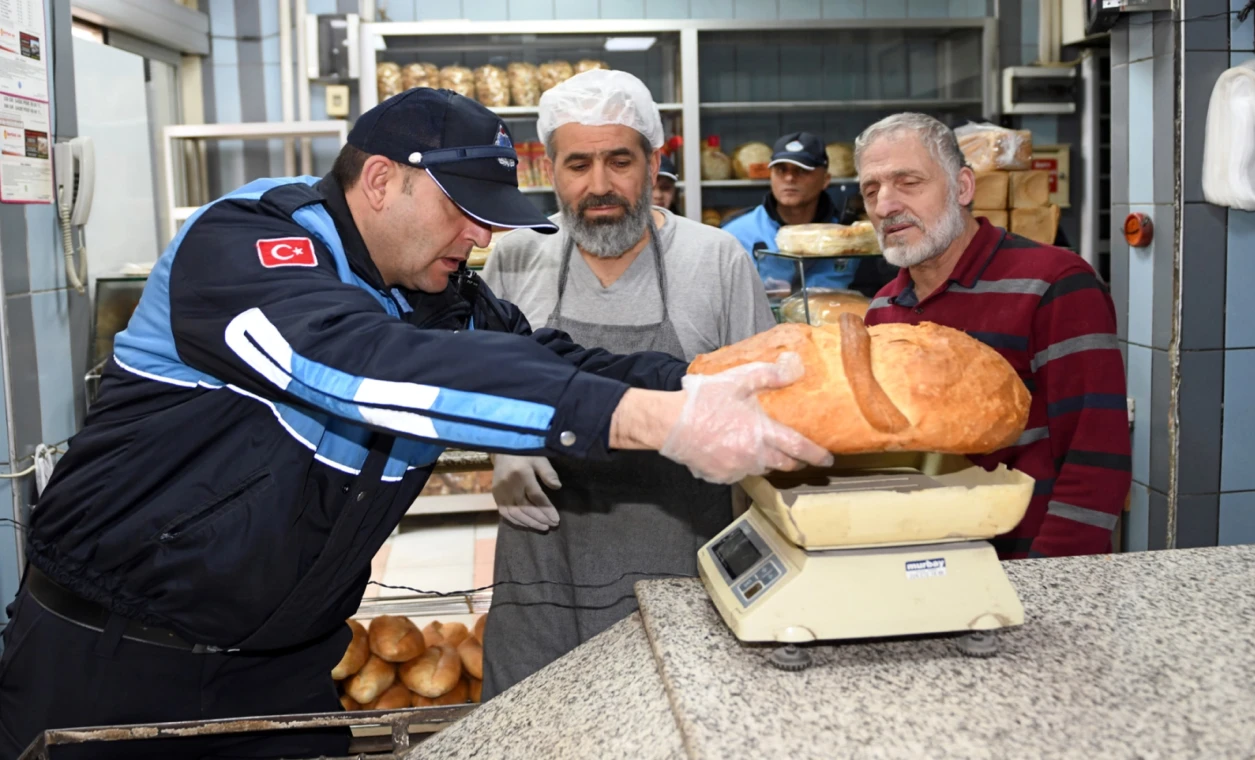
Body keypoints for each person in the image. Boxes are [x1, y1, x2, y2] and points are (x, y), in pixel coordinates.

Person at [0, 89, 831, 760]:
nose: (482, 237)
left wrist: (722, 385)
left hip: (282, 670)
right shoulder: (247, 246)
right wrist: (651, 421)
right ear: (379, 182)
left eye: (494, 215)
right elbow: (357, 363)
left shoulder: (440, 299)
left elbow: (558, 362)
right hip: (108, 663)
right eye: (463, 210)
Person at [478, 70, 777, 700]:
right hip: (543, 563)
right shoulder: (514, 257)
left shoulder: (716, 259)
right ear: (549, 170)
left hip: (684, 558)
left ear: (653, 161)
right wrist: (502, 444)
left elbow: (766, 411)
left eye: (619, 160)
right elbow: (481, 378)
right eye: (577, 164)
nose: (599, 185)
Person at [855, 113, 1130, 559]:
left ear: (963, 187)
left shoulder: (1054, 283)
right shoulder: (883, 309)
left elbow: (1096, 457)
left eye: (908, 182)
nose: (886, 205)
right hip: (926, 566)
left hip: (1030, 568)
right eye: (872, 190)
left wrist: (1052, 582)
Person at [722, 131, 859, 292]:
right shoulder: (736, 234)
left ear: (825, 180)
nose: (789, 178)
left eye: (802, 171)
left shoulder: (848, 237)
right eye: (781, 170)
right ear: (770, 176)